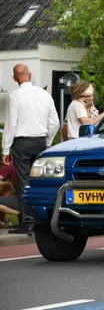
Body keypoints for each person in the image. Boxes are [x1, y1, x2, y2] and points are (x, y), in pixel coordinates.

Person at [2, 64, 60, 235]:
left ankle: (27, 222)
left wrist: (5, 149)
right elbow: (55, 122)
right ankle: (42, 220)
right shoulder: (44, 94)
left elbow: (11, 124)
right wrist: (47, 141)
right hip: (41, 141)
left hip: (21, 143)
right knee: (41, 180)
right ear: (30, 75)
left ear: (14, 78)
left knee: (24, 182)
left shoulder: (15, 96)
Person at [0, 160, 18, 228]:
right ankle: (2, 219)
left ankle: (22, 215)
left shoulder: (11, 164)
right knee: (7, 186)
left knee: (7, 186)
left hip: (22, 200)